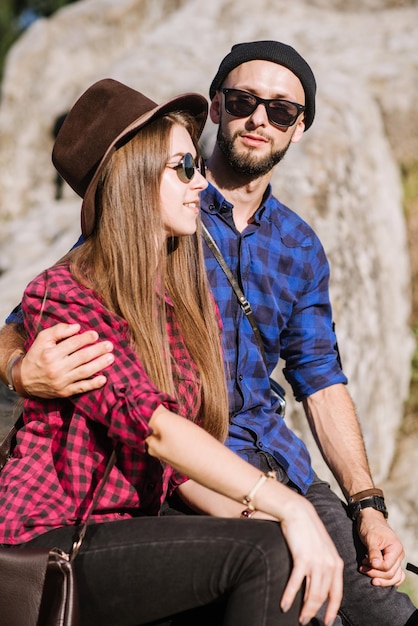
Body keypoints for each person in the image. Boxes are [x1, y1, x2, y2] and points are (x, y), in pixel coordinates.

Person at [1, 41, 417, 626]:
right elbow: (147, 419)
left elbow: (320, 378)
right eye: (244, 101)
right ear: (218, 109)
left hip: (254, 469)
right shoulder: (128, 254)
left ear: (299, 129)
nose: (259, 119)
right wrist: (19, 370)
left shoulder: (287, 250)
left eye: (281, 111)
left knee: (379, 609)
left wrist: (361, 506)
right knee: (276, 563)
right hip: (113, 507)